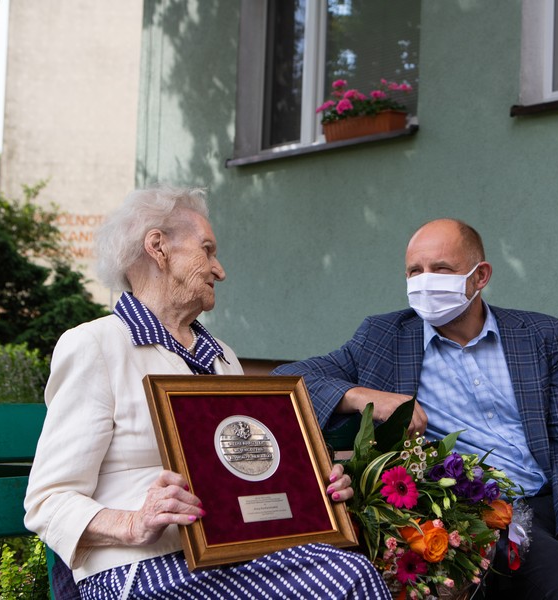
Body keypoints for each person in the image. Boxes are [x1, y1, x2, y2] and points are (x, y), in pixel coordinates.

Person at [273, 218, 558, 600]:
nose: (424, 281)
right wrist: (365, 397)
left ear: (480, 276)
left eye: (440, 269)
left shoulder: (538, 334)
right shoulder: (383, 336)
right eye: (414, 272)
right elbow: (284, 378)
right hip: (485, 509)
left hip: (556, 489)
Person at [23, 185, 388, 600]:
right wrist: (135, 522)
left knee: (345, 567)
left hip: (230, 556)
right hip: (138, 567)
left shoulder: (222, 358)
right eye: (208, 250)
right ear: (158, 248)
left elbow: (246, 469)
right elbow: (47, 502)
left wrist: (311, 489)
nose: (220, 270)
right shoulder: (97, 344)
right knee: (341, 578)